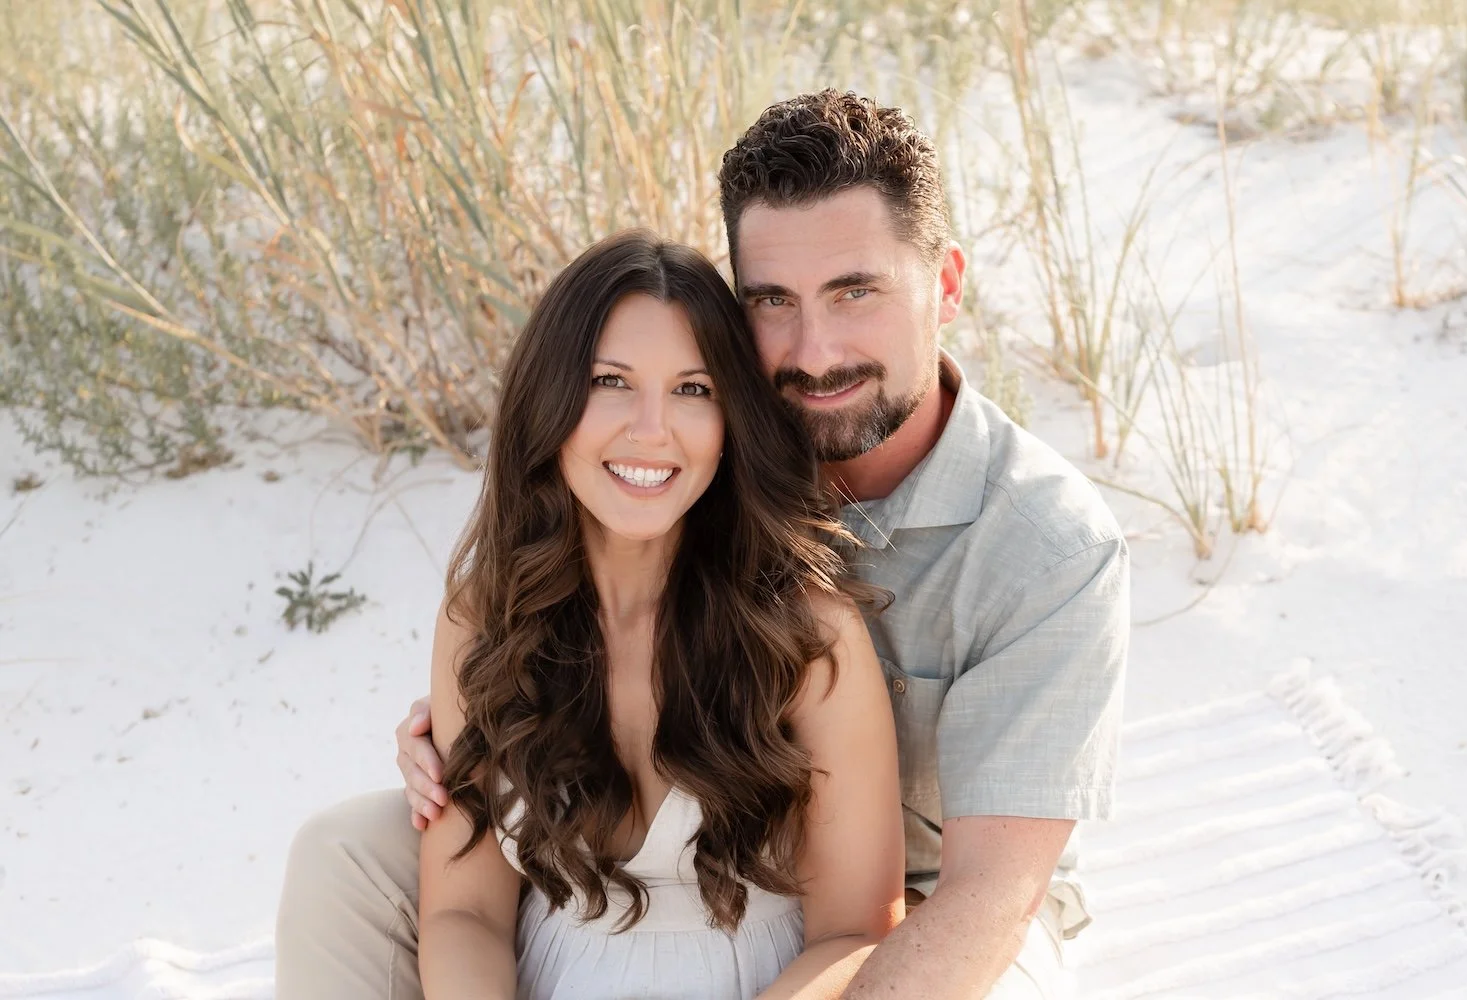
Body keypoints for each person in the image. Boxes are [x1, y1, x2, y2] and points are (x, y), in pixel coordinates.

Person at [277, 89, 1128, 1000]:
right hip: (628, 855)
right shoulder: (709, 451)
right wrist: (485, 718)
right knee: (348, 852)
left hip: (937, 899)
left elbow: (988, 894)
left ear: (946, 285)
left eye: (856, 292)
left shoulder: (1047, 549)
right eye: (773, 300)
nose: (815, 351)